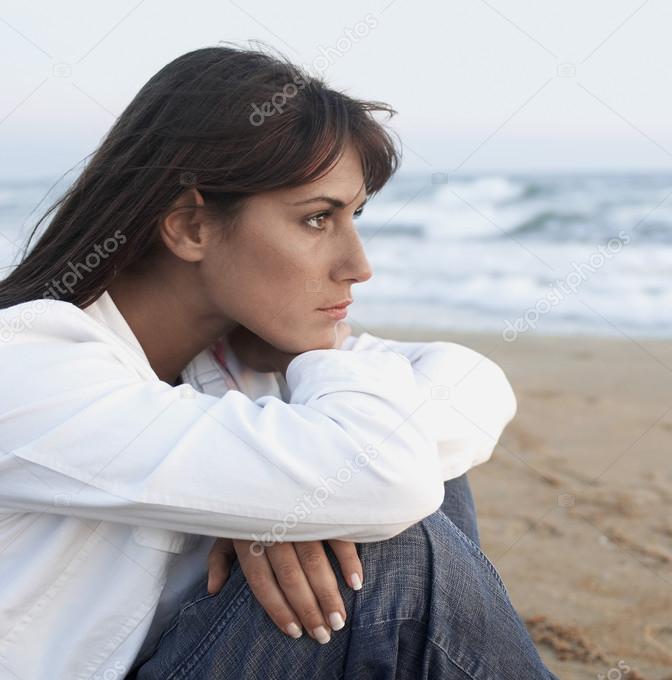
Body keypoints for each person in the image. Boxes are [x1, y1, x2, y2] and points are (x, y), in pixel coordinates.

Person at [0, 44, 558, 679]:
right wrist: (311, 486)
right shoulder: (23, 369)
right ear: (190, 227)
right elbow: (389, 475)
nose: (359, 265)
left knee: (389, 462)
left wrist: (296, 506)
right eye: (318, 218)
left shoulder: (230, 358)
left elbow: (475, 385)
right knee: (395, 540)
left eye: (355, 216)